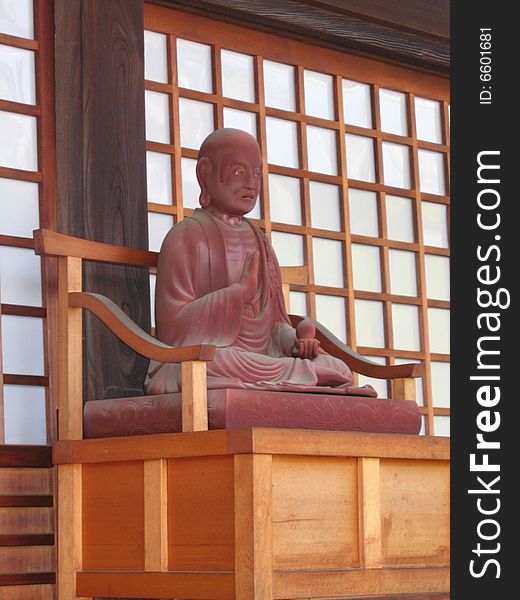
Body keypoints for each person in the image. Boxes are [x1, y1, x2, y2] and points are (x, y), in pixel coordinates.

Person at [145, 128, 375, 396]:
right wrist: (239, 293)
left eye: (256, 174)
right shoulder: (186, 237)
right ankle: (303, 378)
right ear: (205, 173)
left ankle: (306, 372)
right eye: (239, 172)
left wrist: (296, 344)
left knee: (337, 366)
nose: (251, 184)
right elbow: (173, 330)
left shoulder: (261, 243)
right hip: (211, 360)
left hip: (263, 361)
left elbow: (276, 325)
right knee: (213, 363)